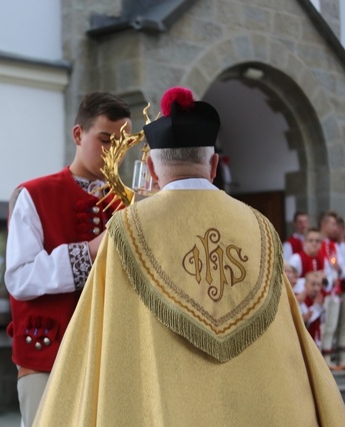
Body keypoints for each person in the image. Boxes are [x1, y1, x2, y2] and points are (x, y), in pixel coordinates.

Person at [33, 87, 345, 425]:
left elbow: (97, 342)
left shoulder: (125, 230)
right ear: (213, 166)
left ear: (151, 168)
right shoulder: (261, 229)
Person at [4, 92, 132, 426]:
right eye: (105, 140)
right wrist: (89, 251)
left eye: (122, 142)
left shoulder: (129, 205)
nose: (114, 152)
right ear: (78, 135)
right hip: (47, 355)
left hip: (110, 359)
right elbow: (19, 278)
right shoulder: (33, 194)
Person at [318, 210, 345, 368]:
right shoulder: (318, 242)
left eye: (336, 224)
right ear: (324, 224)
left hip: (335, 291)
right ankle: (321, 358)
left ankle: (328, 356)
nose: (335, 227)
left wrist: (338, 269)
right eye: (332, 224)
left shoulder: (333, 245)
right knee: (323, 325)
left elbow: (340, 266)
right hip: (322, 291)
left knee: (332, 324)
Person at [297, 270, 326, 347]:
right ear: (305, 285)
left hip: (315, 340)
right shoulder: (301, 299)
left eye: (319, 285)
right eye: (313, 285)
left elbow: (322, 321)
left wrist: (321, 307)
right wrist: (316, 307)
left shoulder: (319, 299)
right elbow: (306, 321)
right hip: (303, 341)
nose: (316, 288)